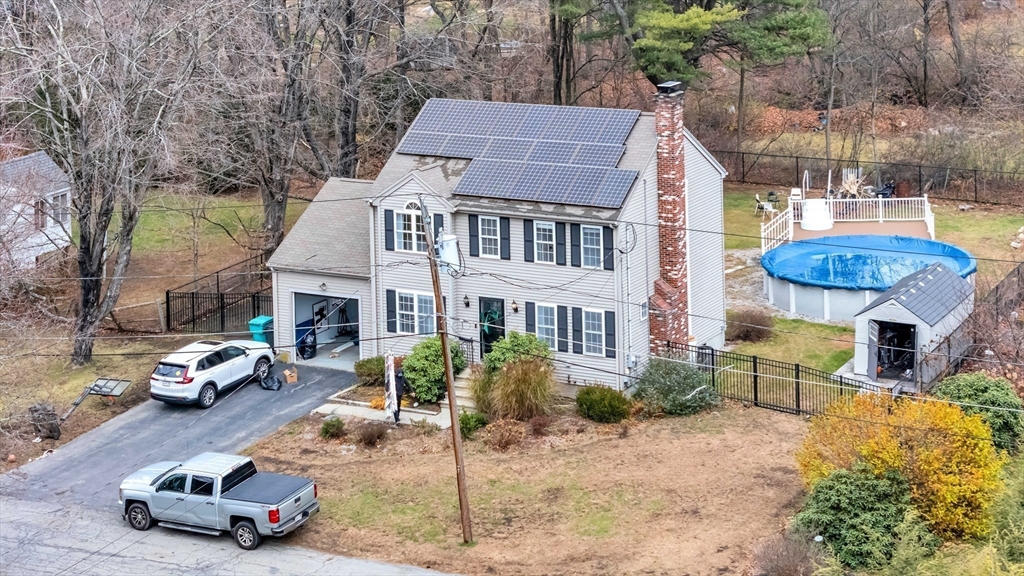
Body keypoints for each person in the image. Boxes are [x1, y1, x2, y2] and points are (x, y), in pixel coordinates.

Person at [393, 357, 406, 423]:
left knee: (398, 406)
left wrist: (412, 391)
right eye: (399, 373)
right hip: (394, 395)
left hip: (400, 394)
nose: (400, 374)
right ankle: (396, 419)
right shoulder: (393, 378)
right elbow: (388, 384)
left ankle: (398, 417)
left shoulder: (403, 378)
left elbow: (408, 384)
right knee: (395, 406)